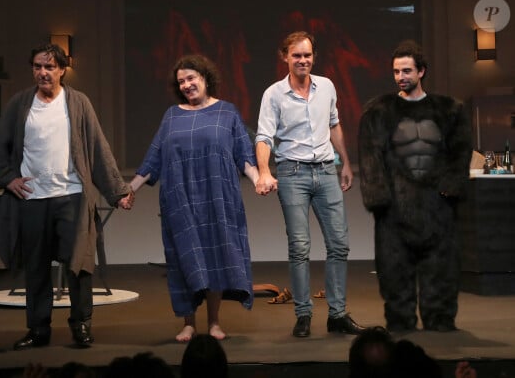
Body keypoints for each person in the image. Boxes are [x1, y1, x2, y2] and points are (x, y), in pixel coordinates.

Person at [0, 43, 133, 350]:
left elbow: (97, 146)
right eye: (38, 66)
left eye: (50, 67)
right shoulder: (20, 104)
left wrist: (118, 191)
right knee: (36, 266)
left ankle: (81, 324)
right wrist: (7, 179)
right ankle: (38, 329)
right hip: (33, 198)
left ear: (62, 70)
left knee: (78, 264)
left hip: (72, 196)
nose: (43, 72)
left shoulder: (78, 103)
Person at [128, 54, 259, 342]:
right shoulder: (172, 115)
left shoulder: (227, 112)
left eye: (191, 78)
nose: (187, 85)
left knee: (213, 257)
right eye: (181, 81)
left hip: (217, 198)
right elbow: (154, 158)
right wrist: (130, 189)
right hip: (180, 199)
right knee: (183, 259)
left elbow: (244, 156)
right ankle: (189, 323)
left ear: (205, 78)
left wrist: (259, 179)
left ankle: (214, 322)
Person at [255, 31, 364, 338]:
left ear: (313, 56)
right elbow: (264, 136)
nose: (303, 60)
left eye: (307, 55)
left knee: (339, 245)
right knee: (300, 247)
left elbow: (334, 123)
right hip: (293, 173)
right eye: (296, 55)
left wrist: (345, 162)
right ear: (285, 57)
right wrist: (264, 171)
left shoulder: (326, 86)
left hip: (327, 170)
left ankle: (337, 315)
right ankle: (303, 314)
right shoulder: (274, 94)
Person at [358, 40, 472, 333]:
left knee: (441, 271)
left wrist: (451, 187)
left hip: (437, 205)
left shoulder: (449, 110)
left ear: (421, 71)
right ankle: (400, 323)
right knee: (395, 274)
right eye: (396, 72)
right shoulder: (379, 111)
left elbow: (460, 151)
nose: (400, 77)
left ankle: (441, 322)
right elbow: (370, 155)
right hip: (395, 206)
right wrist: (378, 198)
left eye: (407, 70)